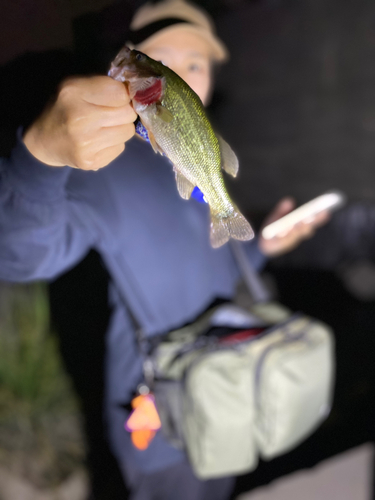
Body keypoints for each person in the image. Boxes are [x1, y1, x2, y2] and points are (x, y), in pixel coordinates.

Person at [0, 1, 328, 498]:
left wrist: (263, 246)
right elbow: (18, 257)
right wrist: (40, 159)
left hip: (228, 395)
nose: (184, 72)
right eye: (163, 58)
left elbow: (214, 262)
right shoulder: (101, 169)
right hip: (161, 421)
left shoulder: (195, 156)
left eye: (195, 63)